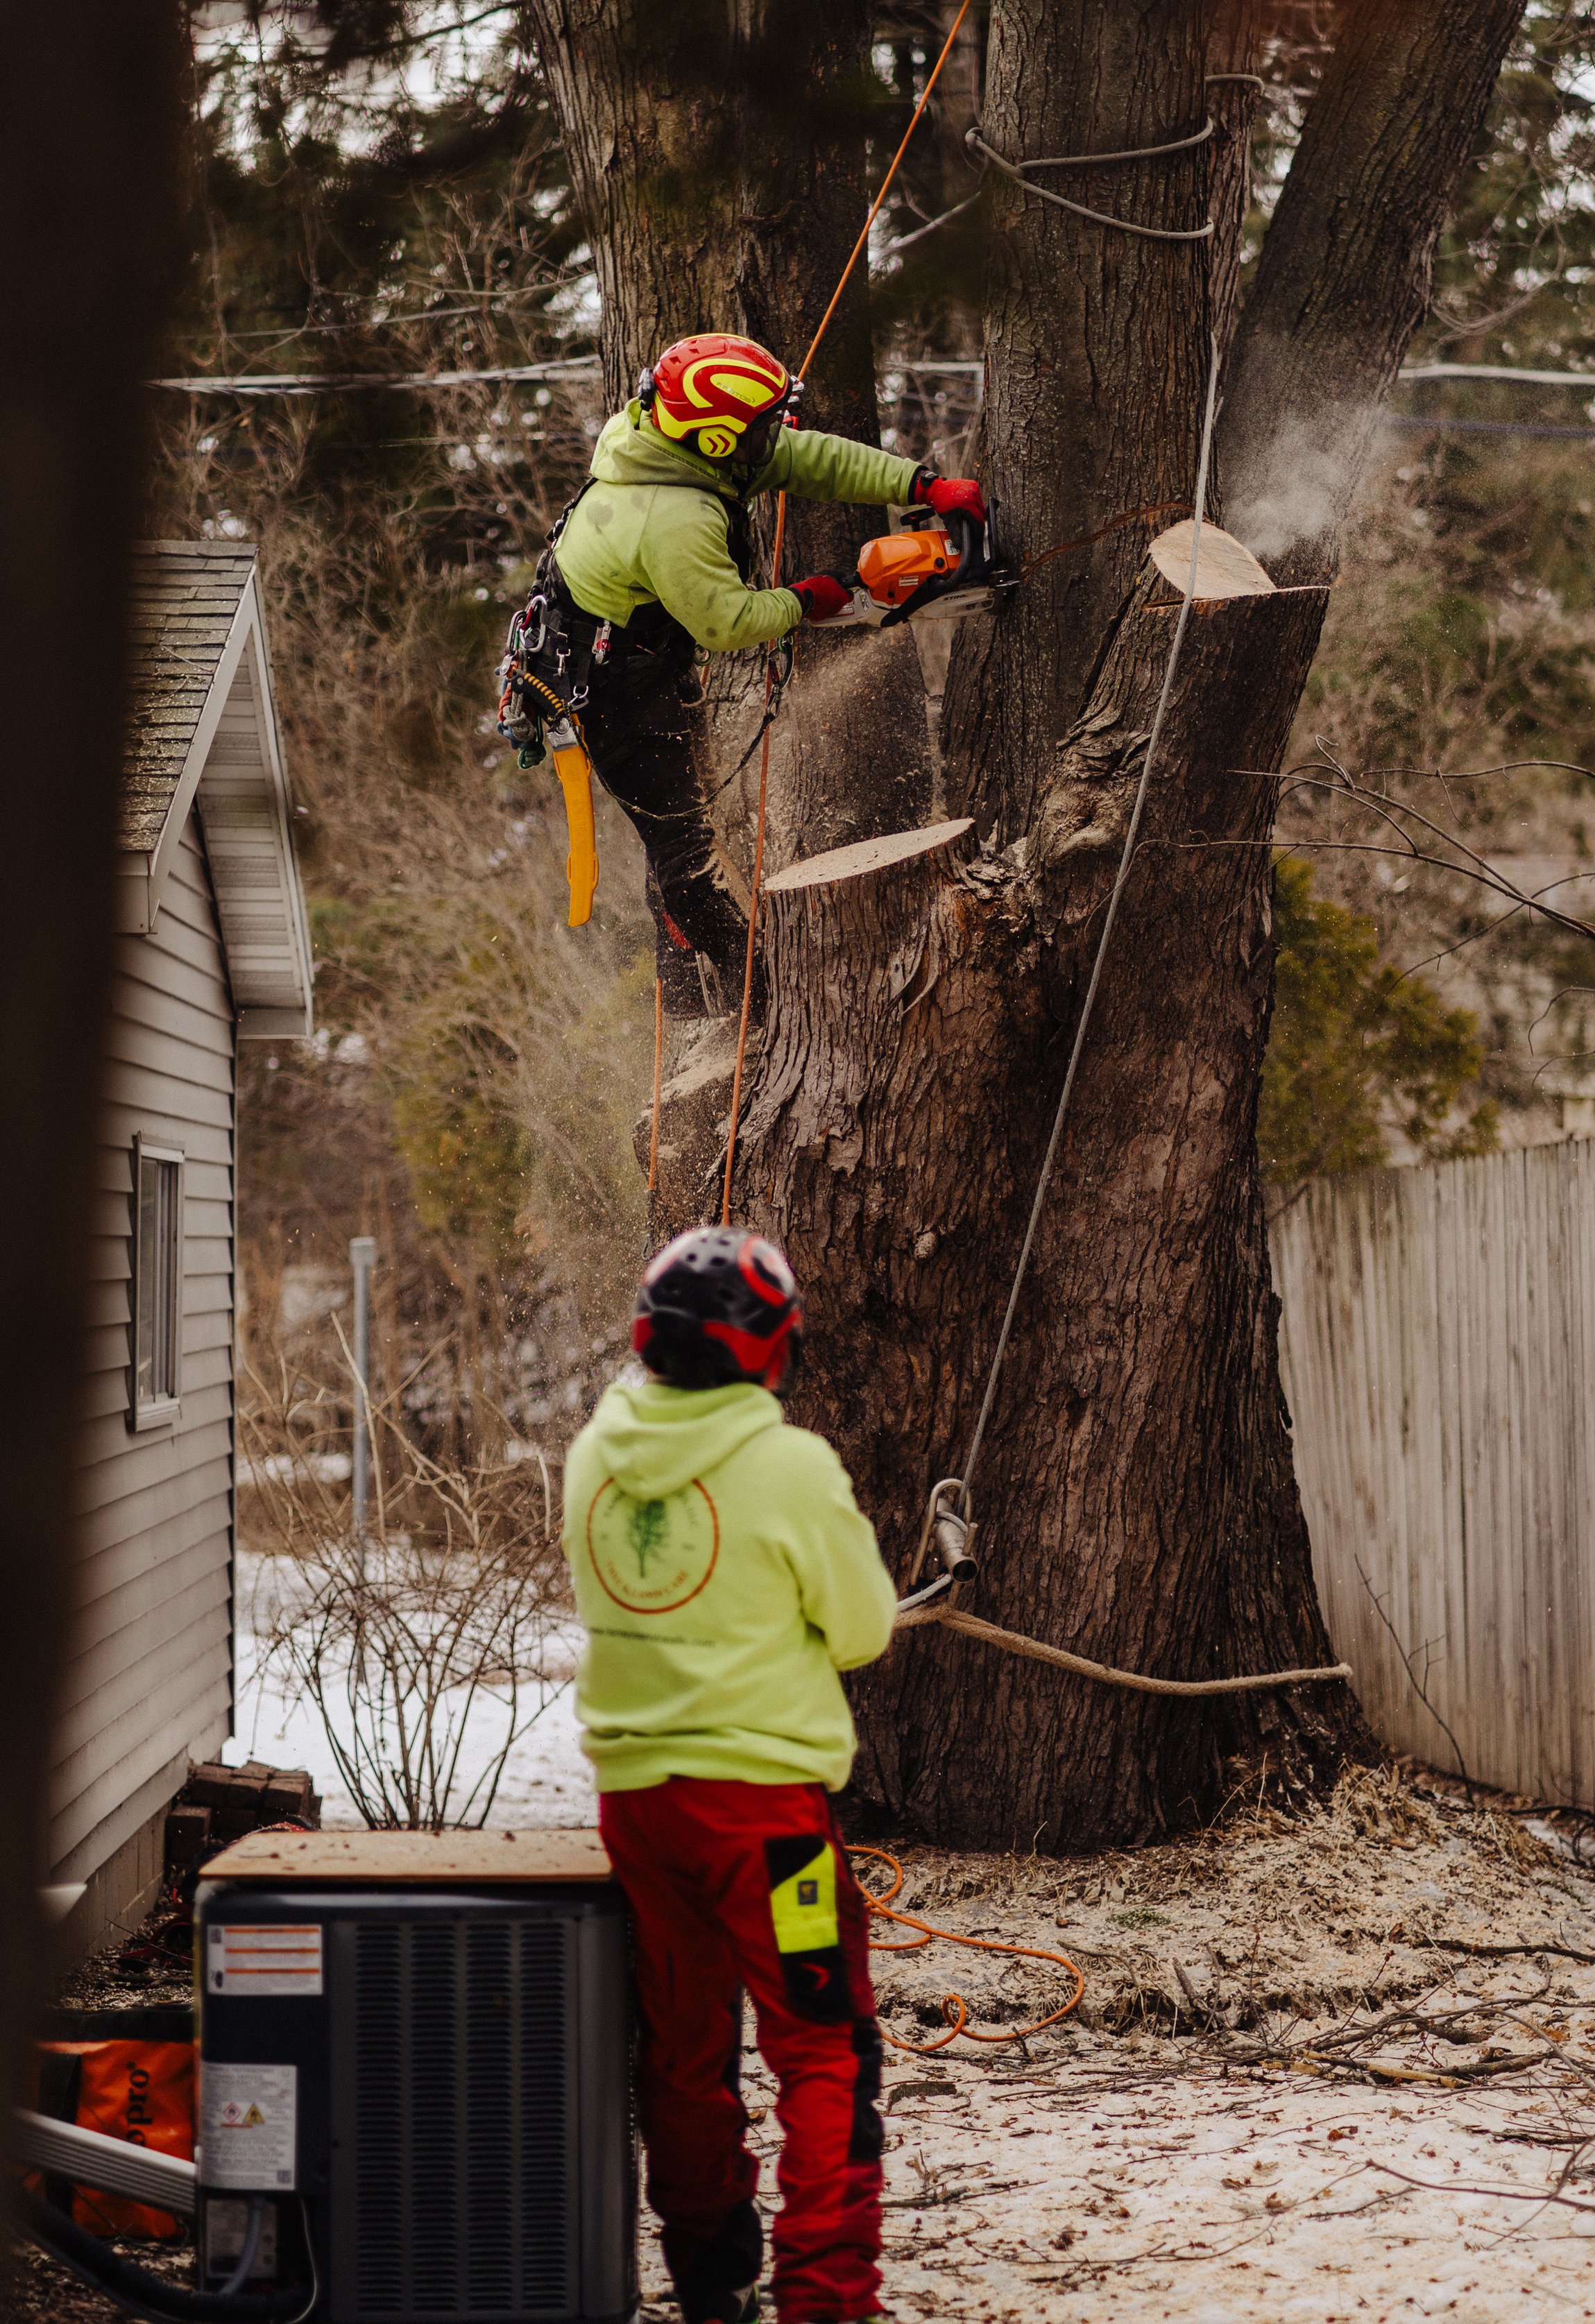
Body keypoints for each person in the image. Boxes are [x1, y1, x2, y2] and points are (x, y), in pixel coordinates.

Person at [563, 1225, 899, 2324]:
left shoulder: (592, 1455)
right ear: (771, 1351)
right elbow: (859, 1630)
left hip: (641, 1813)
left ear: (645, 1342)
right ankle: (825, 2298)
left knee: (684, 2046)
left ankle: (713, 2277)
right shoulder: (789, 1465)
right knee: (821, 2046)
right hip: (769, 1827)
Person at [544, 331, 985, 1012]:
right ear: (719, 440)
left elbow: (807, 459)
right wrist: (818, 595)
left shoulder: (679, 446)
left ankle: (693, 992)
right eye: (760, 426)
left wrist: (919, 484)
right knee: (683, 847)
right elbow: (726, 624)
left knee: (680, 824)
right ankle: (763, 996)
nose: (775, 435)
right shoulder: (673, 515)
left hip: (639, 652)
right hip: (611, 687)